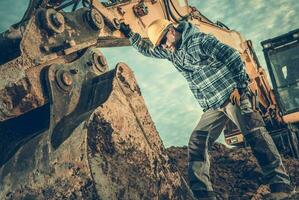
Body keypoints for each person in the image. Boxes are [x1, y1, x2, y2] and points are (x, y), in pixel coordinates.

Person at [119, 19, 294, 200]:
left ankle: (281, 186)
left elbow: (232, 56)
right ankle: (204, 194)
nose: (163, 46)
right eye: (160, 44)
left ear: (171, 31)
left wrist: (240, 87)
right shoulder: (172, 53)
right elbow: (149, 50)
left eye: (164, 41)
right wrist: (131, 35)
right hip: (213, 106)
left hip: (232, 95)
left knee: (255, 134)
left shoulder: (200, 41)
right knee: (197, 142)